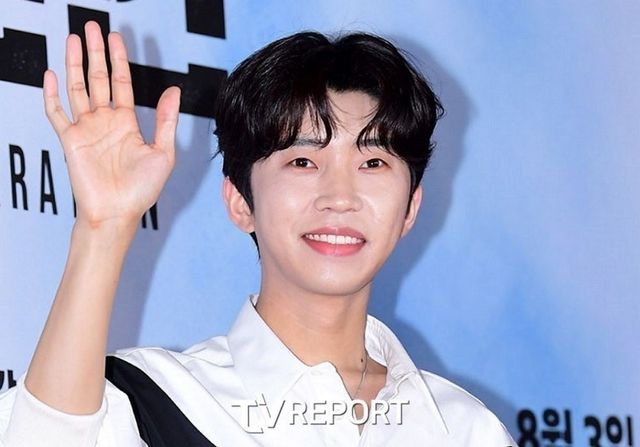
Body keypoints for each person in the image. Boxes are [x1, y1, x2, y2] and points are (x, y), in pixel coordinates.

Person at [0, 21, 515, 446]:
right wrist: (103, 226)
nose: (340, 196)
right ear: (240, 202)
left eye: (373, 162)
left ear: (410, 208)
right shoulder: (152, 401)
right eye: (303, 162)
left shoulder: (462, 429)